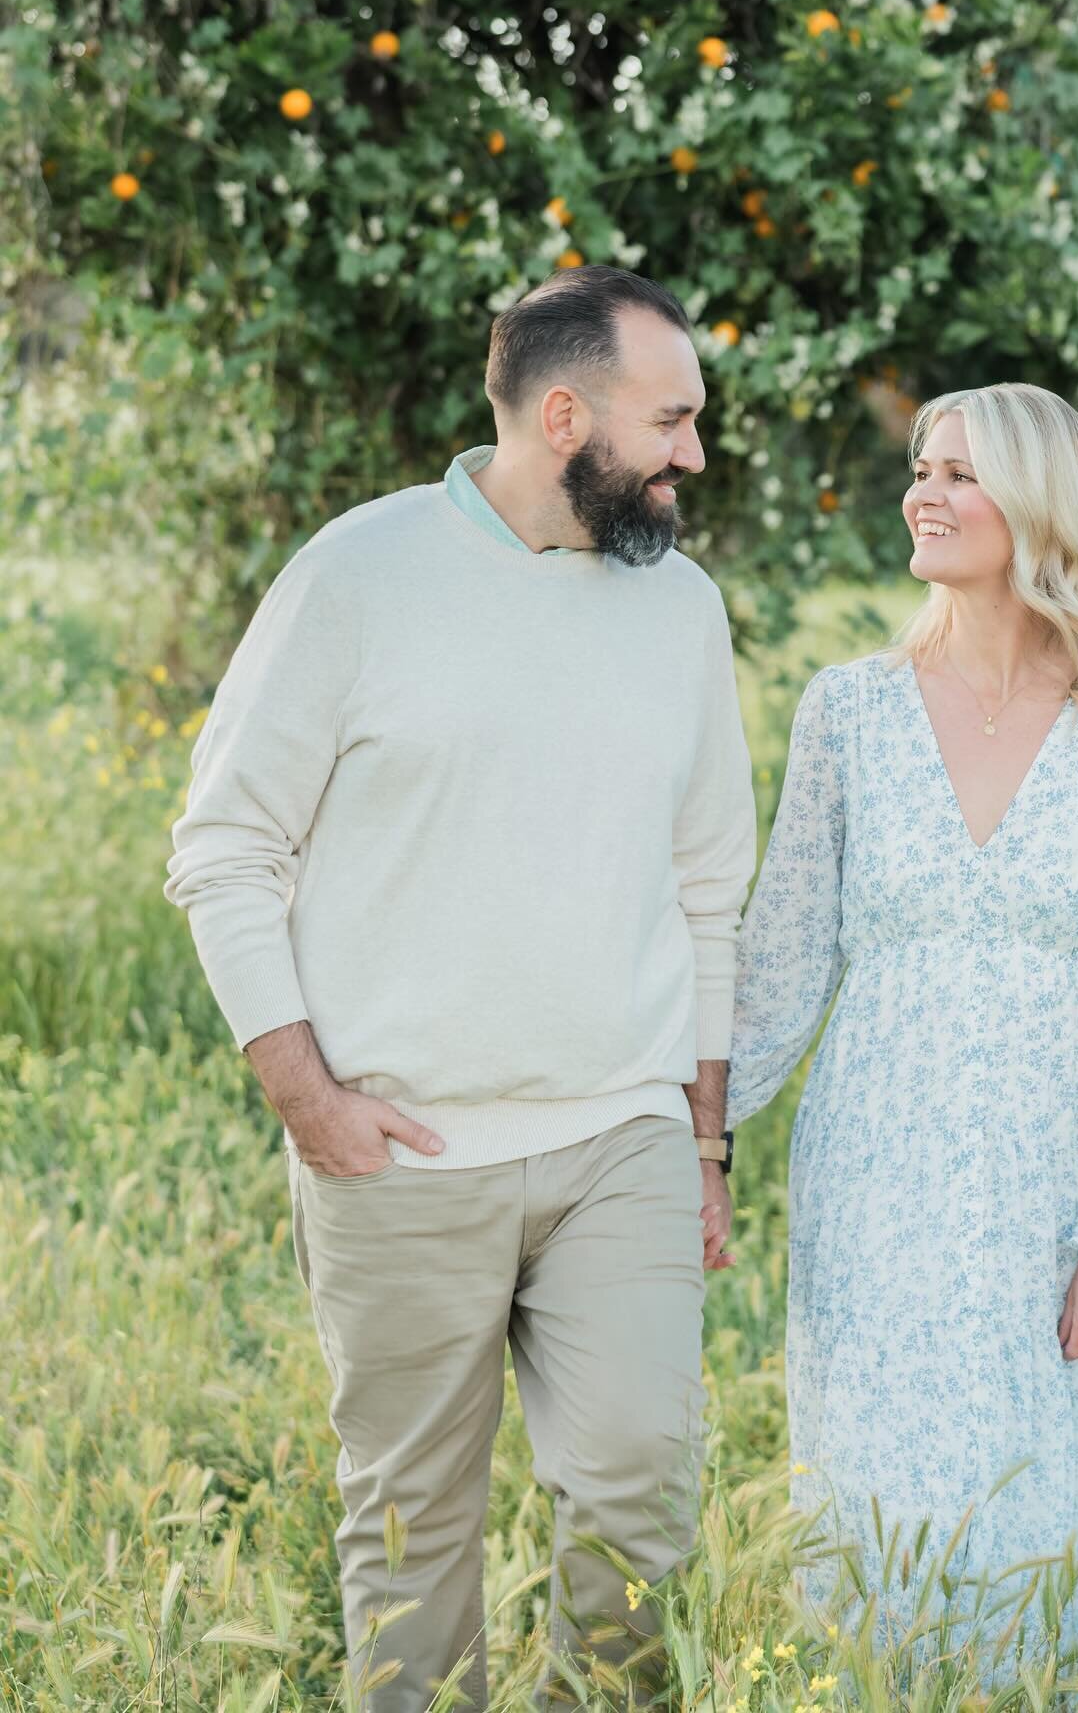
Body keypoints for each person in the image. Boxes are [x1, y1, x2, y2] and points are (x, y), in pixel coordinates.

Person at [164, 265, 754, 1709]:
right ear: (566, 415)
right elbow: (224, 850)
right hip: (403, 1153)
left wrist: (704, 1141)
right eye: (670, 420)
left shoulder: (680, 608)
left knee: (639, 1508)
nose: (694, 453)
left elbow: (705, 893)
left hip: (619, 1134)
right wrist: (309, 1098)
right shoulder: (355, 580)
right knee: (414, 1537)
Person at [724, 383, 1078, 1683]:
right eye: (920, 468)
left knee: (1048, 1508)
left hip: (1060, 1194)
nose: (921, 495)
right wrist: (691, 1143)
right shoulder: (850, 709)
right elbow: (778, 966)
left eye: (960, 475)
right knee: (885, 1510)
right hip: (875, 1178)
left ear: (1041, 506)